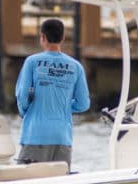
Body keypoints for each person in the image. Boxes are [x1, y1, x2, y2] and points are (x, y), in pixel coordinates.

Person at [15, 17, 90, 170]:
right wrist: (63, 107)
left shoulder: (32, 62)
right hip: (62, 138)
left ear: (42, 37)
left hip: (35, 135)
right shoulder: (76, 66)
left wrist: (25, 112)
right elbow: (83, 104)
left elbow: (22, 97)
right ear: (63, 38)